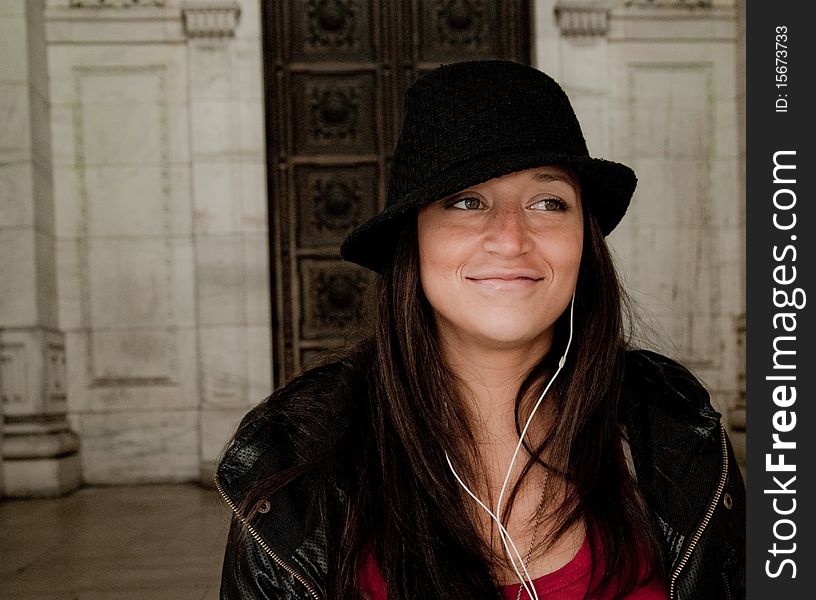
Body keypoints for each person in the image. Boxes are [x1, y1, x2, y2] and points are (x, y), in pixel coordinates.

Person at [214, 60, 745, 600]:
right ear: (413, 238)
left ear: (584, 239)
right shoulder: (298, 460)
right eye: (466, 202)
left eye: (548, 202)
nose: (510, 239)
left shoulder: (675, 426)